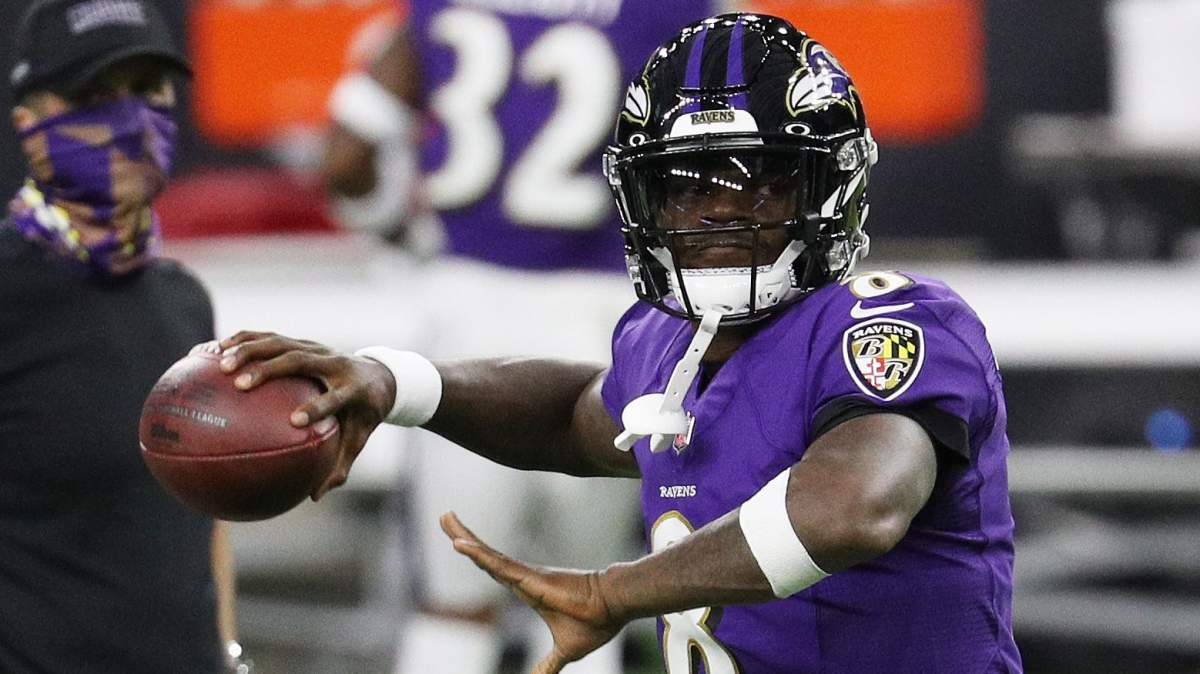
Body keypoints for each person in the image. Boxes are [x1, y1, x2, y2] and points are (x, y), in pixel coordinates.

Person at [227, 12, 1022, 674]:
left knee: (459, 610)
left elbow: (855, 507)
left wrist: (614, 593)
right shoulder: (663, 341)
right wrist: (394, 383)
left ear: (830, 186)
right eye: (685, 182)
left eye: (762, 179)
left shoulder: (894, 321)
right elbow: (568, 414)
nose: (719, 208)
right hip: (528, 302)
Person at [321, 2, 714, 673]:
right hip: (608, 319)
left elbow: (347, 157)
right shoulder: (672, 12)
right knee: (589, 600)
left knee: (453, 608)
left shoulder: (442, 9)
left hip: (468, 312)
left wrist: (402, 234)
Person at [0, 1, 243, 672]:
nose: (130, 119)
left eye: (148, 90)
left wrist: (227, 654)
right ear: (28, 123)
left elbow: (203, 524)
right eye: (95, 97)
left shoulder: (183, 299)